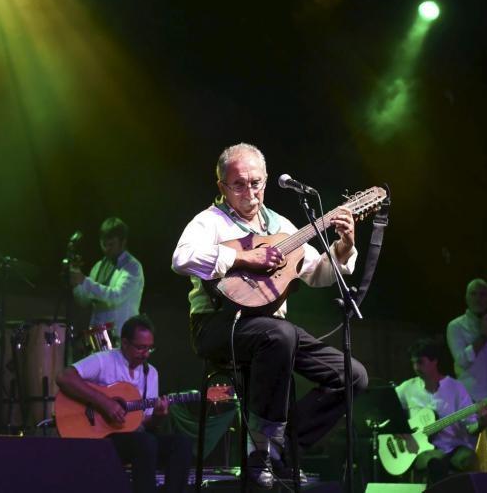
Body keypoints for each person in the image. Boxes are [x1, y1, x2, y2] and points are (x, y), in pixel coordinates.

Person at [172, 142, 368, 488]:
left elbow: (318, 273)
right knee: (281, 334)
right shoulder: (209, 222)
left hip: (272, 330)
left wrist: (344, 246)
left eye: (257, 182)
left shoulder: (281, 226)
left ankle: (280, 451)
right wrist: (243, 258)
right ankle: (257, 454)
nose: (250, 191)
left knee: (352, 376)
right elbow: (182, 258)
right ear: (222, 186)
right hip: (217, 326)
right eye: (239, 184)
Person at [55, 315, 193, 493]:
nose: (146, 354)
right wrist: (104, 402)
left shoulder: (150, 373)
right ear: (125, 343)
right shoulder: (104, 360)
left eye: (150, 348)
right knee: (145, 442)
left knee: (181, 443)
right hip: (101, 438)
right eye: (140, 348)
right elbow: (64, 377)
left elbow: (145, 422)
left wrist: (158, 417)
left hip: (134, 439)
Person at [394, 338, 483, 484]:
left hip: (453, 447)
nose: (416, 367)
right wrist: (405, 435)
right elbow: (389, 413)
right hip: (421, 451)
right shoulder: (407, 388)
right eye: (413, 363)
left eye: (420, 362)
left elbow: (471, 425)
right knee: (435, 461)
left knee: (470, 458)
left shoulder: (456, 388)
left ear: (434, 361)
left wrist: (483, 421)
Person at [71, 216, 144, 338]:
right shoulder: (98, 266)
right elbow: (84, 302)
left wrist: (84, 280)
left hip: (123, 338)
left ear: (123, 242)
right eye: (103, 244)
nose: (106, 249)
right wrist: (77, 284)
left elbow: (116, 296)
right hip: (97, 337)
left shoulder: (132, 267)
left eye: (111, 244)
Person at [446, 278, 487, 402]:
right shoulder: (456, 326)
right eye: (473, 294)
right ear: (466, 297)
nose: (478, 299)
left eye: (483, 294)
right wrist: (483, 336)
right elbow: (462, 361)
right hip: (471, 399)